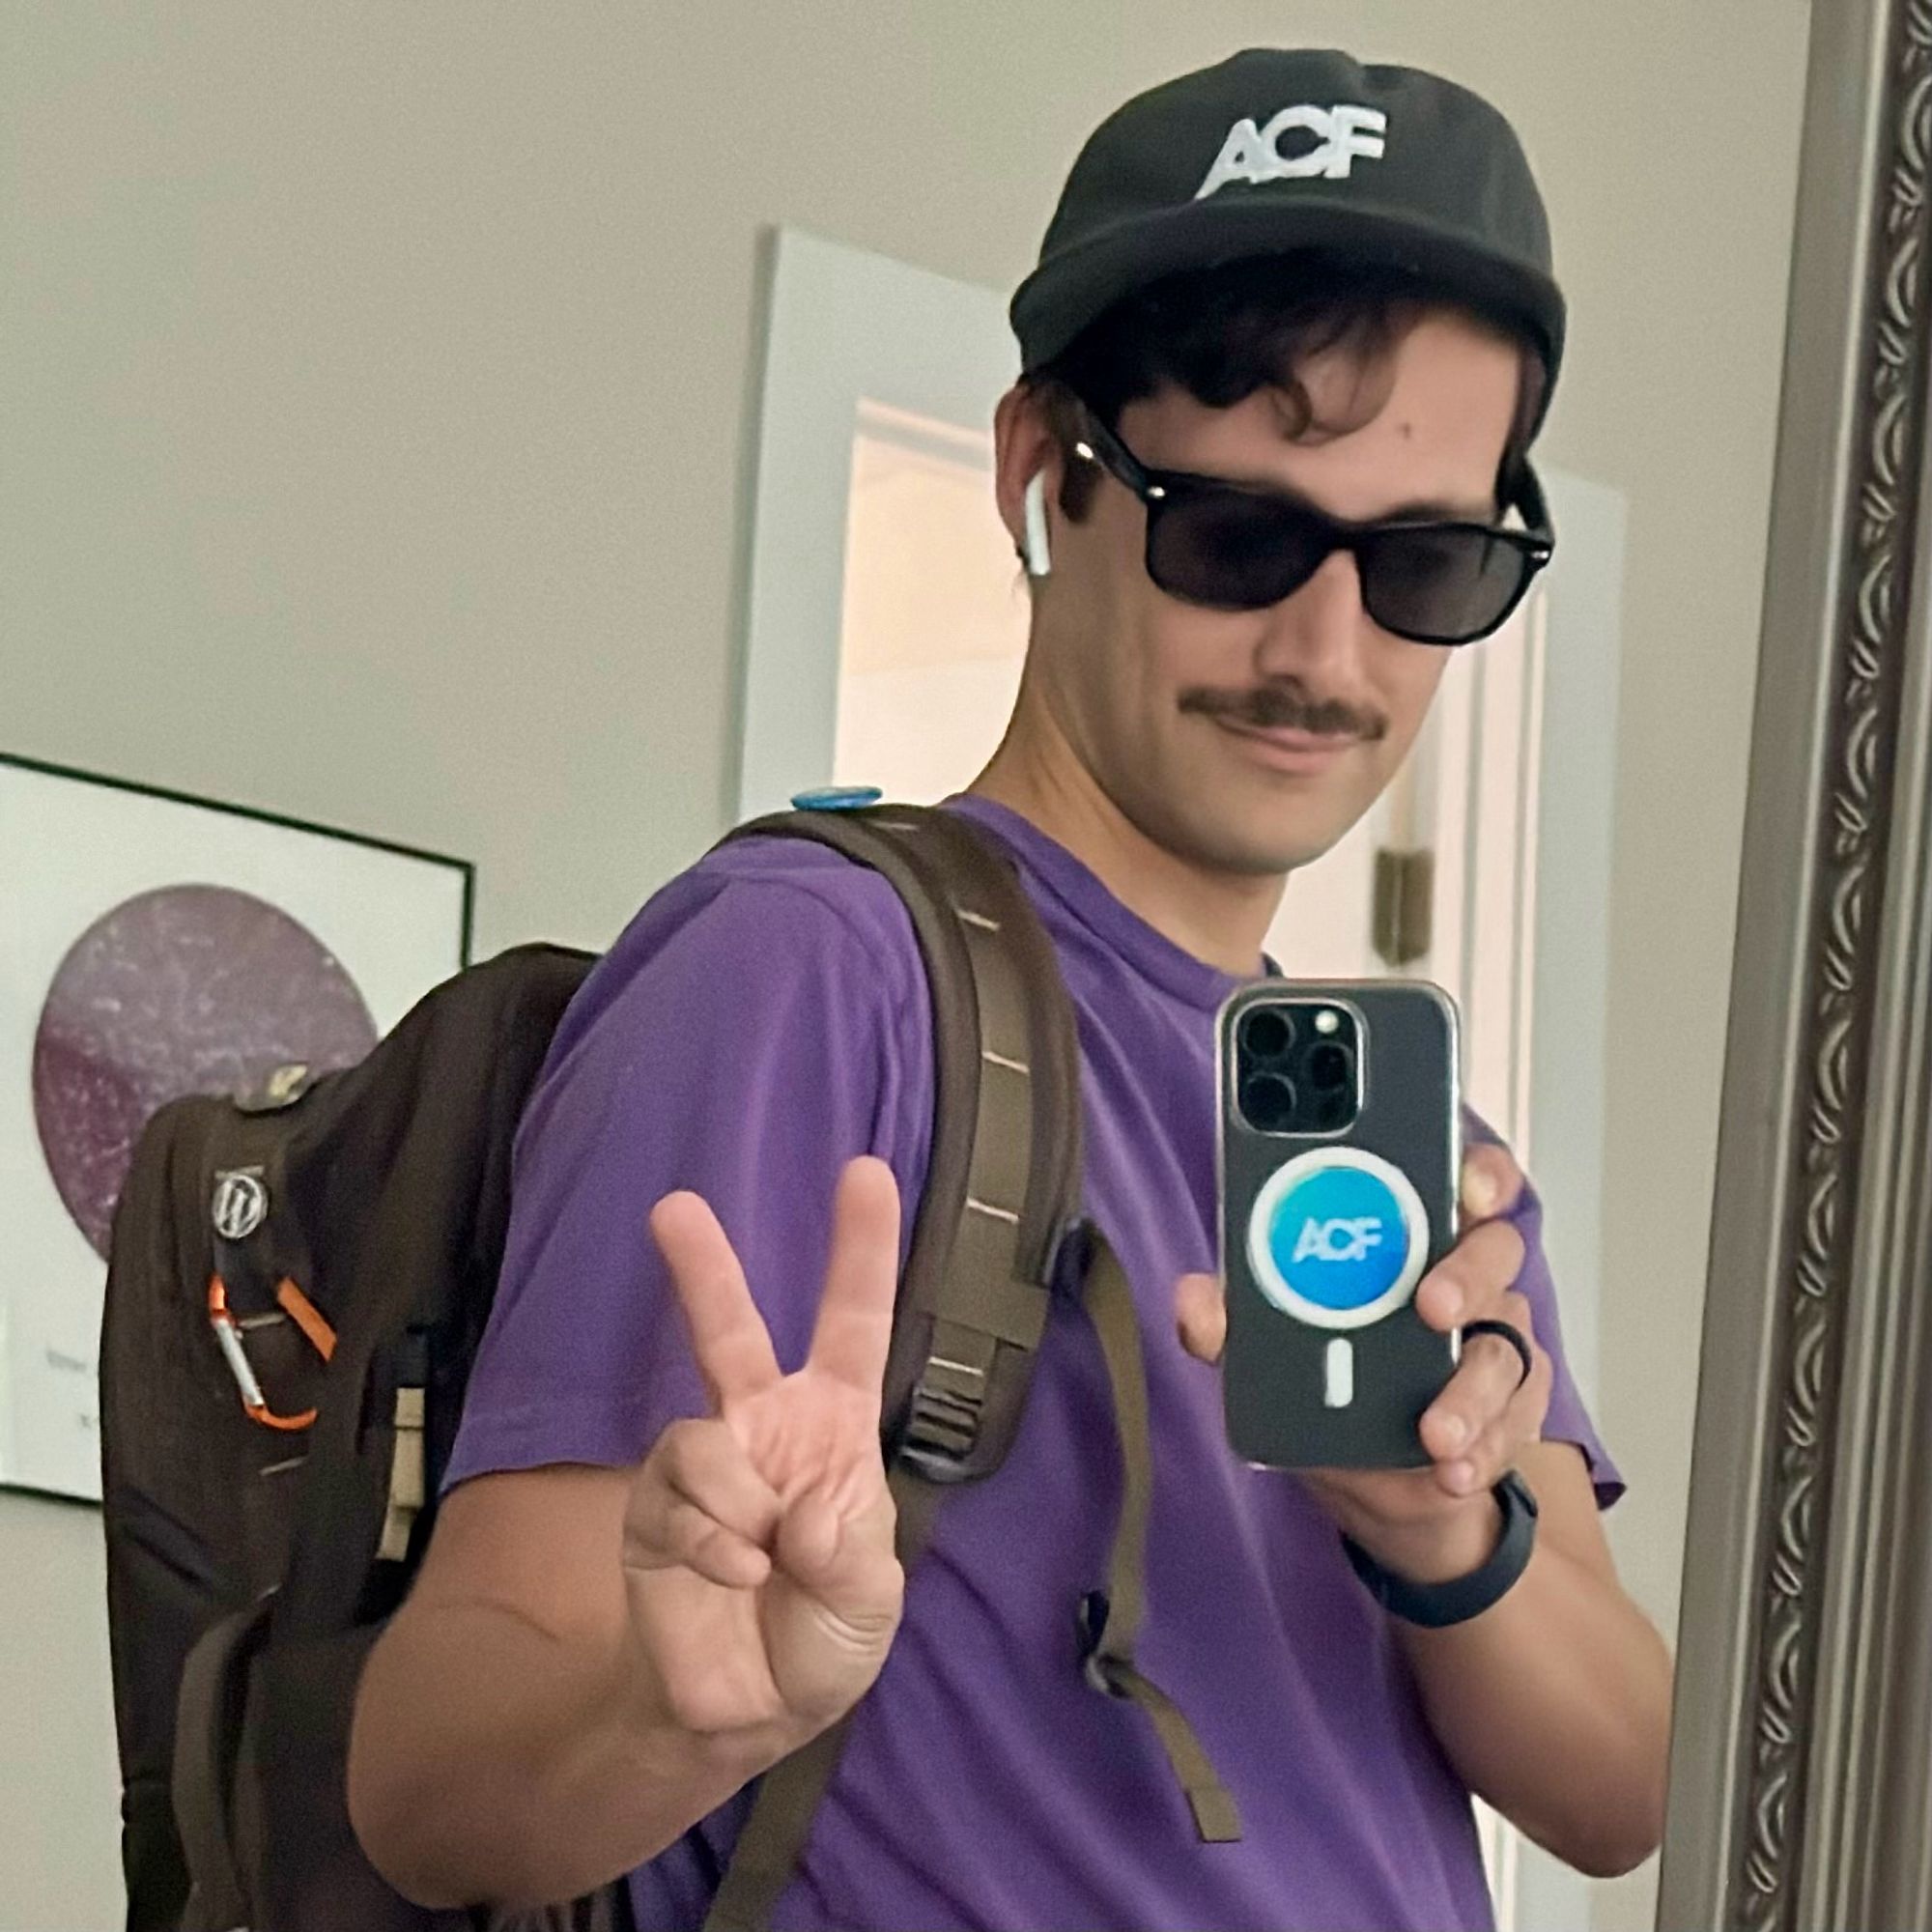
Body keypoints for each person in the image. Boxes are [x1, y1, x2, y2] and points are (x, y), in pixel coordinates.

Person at [348, 47, 1673, 1932]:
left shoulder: (1416, 1168)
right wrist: (672, 1706)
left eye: (1424, 566)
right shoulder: (810, 966)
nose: (1324, 651)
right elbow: (427, 1780)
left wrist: (1442, 1527)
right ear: (1043, 472)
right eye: (1239, 535)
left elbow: (1627, 1785)